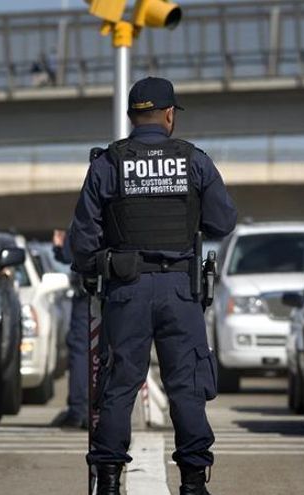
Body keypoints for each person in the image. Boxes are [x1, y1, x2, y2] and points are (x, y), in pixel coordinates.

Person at [69, 77, 237, 495]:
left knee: (119, 386)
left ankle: (107, 481)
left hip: (127, 289)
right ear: (168, 115)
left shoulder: (109, 163)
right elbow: (223, 222)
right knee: (188, 387)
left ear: (131, 117)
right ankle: (194, 483)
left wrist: (101, 265)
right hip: (181, 289)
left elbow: (83, 242)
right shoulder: (193, 160)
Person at [50, 228, 90, 430]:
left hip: (88, 293)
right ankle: (106, 412)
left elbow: (68, 254)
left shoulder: (88, 208)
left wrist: (58, 247)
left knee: (80, 351)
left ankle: (78, 412)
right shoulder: (124, 204)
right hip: (120, 292)